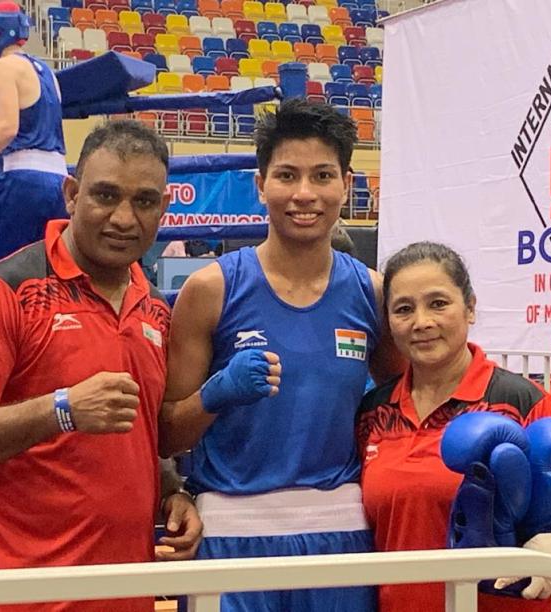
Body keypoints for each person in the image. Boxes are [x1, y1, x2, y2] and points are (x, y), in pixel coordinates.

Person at [159, 98, 403, 612]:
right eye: (287, 175)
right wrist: (216, 394)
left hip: (339, 534)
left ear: (346, 184)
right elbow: (167, 435)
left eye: (322, 176)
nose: (304, 194)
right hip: (230, 534)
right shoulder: (211, 290)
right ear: (260, 184)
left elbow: (404, 410)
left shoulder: (373, 293)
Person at [0, 120, 202, 612]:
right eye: (106, 195)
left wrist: (172, 493)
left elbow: (140, 436)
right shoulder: (3, 291)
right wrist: (61, 410)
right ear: (72, 195)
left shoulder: (155, 309)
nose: (123, 218)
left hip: (124, 594)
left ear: (163, 208)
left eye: (144, 201)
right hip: (19, 598)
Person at [357, 241, 551, 612]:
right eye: (404, 309)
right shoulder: (373, 412)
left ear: (470, 307)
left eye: (438, 303)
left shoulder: (520, 401)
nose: (422, 322)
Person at [0, 1, 68, 271]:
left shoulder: (3, 66)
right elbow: (32, 118)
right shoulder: (47, 72)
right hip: (59, 183)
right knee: (43, 273)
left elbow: (8, 128)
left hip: (23, 181)